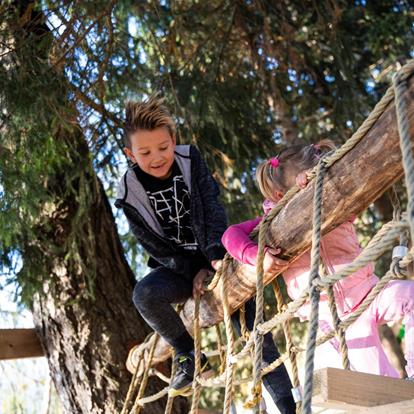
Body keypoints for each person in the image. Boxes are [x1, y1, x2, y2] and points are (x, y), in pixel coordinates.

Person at [115, 96, 296, 412]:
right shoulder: (130, 192)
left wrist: (213, 257)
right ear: (131, 154)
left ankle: (287, 404)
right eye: (145, 152)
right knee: (145, 295)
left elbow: (211, 207)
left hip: (218, 255)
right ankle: (187, 353)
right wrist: (191, 271)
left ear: (173, 141)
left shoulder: (189, 160)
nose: (157, 157)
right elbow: (153, 245)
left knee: (254, 333)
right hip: (178, 268)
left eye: (163, 147)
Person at [222, 141, 414, 379]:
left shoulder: (334, 200)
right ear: (282, 195)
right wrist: (257, 257)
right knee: (381, 385)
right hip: (332, 317)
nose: (314, 184)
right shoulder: (271, 224)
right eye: (308, 179)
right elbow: (230, 235)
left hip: (369, 292)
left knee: (411, 296)